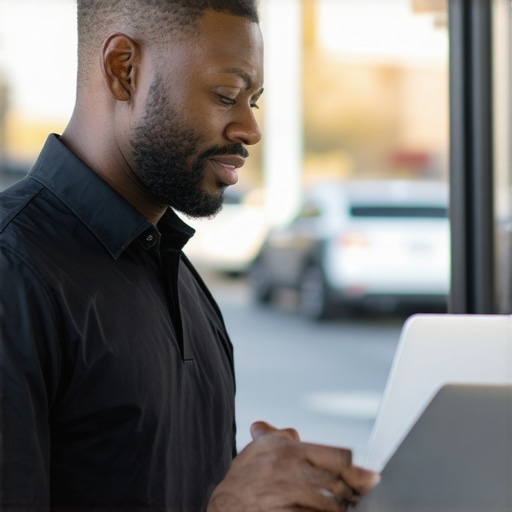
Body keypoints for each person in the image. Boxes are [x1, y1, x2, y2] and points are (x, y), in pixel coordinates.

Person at [0, 1, 379, 510]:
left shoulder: (182, 281)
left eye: (254, 102)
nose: (249, 129)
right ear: (123, 69)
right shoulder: (13, 271)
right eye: (226, 95)